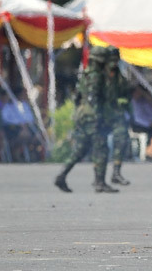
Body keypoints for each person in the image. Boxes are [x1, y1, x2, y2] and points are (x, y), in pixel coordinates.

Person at [54, 46, 118, 193]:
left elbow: (77, 97)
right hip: (93, 118)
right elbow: (93, 98)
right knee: (101, 149)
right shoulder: (97, 76)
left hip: (83, 116)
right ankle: (99, 182)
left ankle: (62, 175)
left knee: (80, 149)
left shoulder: (86, 74)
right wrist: (99, 117)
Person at [104, 47, 132, 185]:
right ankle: (63, 174)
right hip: (101, 115)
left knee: (122, 140)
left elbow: (125, 95)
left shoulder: (119, 76)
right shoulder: (99, 75)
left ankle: (116, 172)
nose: (114, 62)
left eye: (116, 59)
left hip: (116, 115)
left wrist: (127, 110)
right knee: (93, 145)